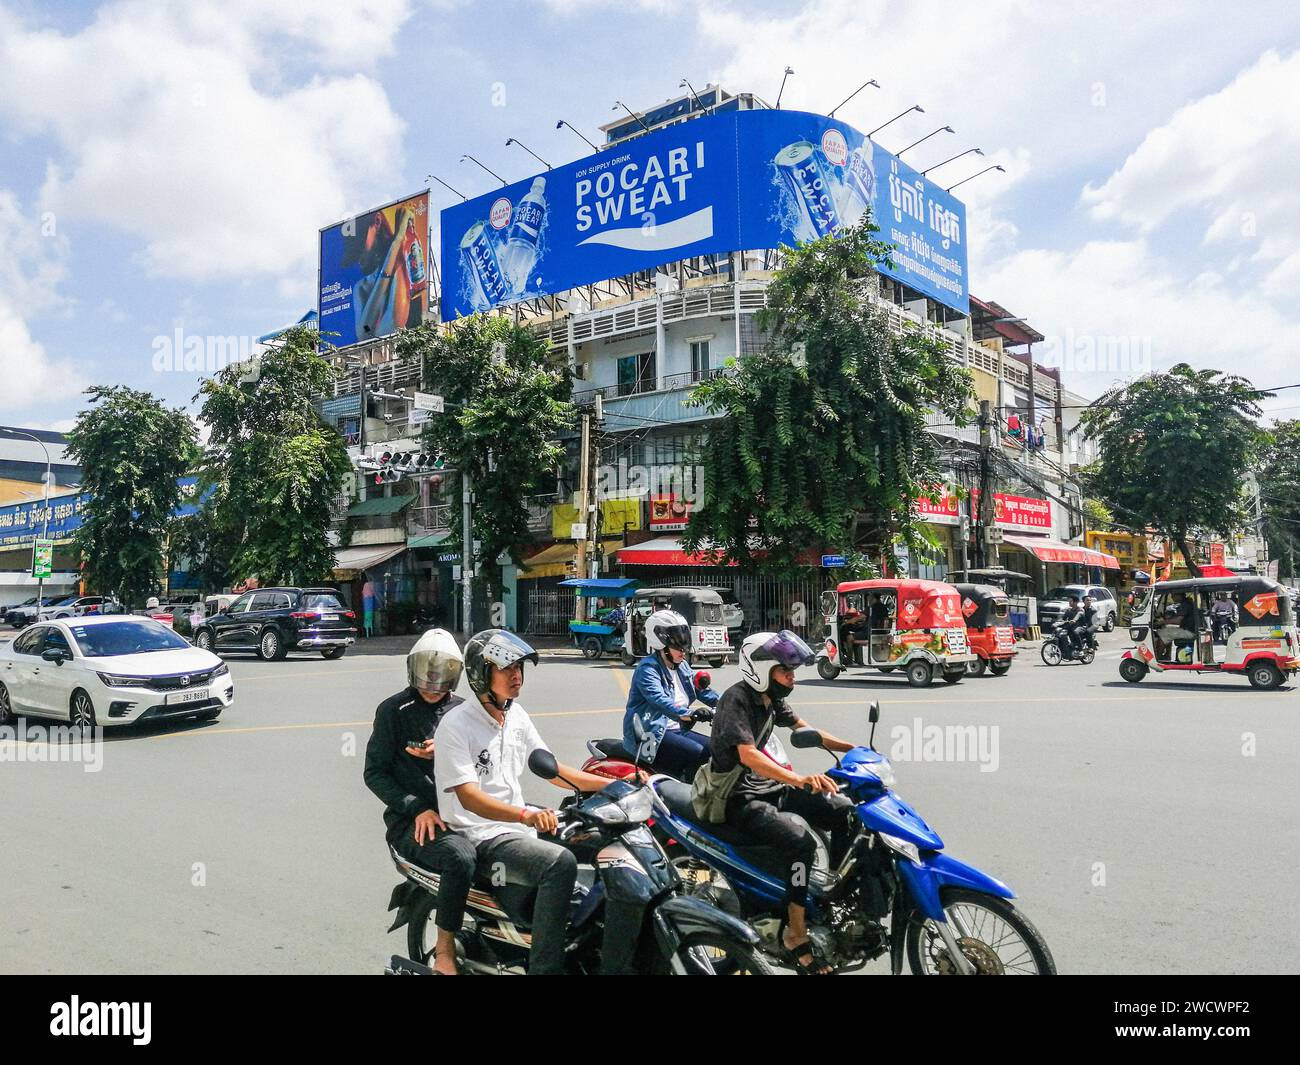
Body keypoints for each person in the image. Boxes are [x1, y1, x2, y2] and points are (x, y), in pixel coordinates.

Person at [433, 629, 614, 975]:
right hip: (482, 836)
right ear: (480, 673)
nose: (517, 676)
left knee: (608, 844)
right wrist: (526, 815)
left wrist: (616, 785)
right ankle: (545, 968)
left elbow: (553, 770)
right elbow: (470, 799)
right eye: (506, 669)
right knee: (558, 863)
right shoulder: (456, 725)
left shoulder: (516, 716)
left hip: (518, 826)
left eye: (519, 668)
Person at [706, 630, 858, 974]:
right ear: (762, 669)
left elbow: (809, 732)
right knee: (800, 844)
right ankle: (796, 932)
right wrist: (798, 779)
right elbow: (748, 756)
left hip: (767, 786)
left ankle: (831, 891)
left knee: (843, 811)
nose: (791, 679)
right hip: (737, 796)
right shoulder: (737, 699)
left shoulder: (770, 698)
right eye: (785, 672)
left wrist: (856, 750)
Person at [364, 628, 476, 975]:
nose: (432, 681)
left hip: (464, 813)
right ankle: (444, 954)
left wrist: (446, 754)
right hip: (411, 821)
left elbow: (485, 765)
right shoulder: (393, 711)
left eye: (440, 674)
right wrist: (415, 808)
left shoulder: (463, 712)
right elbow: (375, 773)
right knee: (459, 858)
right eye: (426, 673)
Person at [622, 610, 720, 779]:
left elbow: (702, 691)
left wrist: (733, 702)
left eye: (684, 646)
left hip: (676, 730)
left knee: (716, 749)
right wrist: (689, 713)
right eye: (677, 647)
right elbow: (659, 699)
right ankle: (687, 799)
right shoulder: (648, 669)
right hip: (651, 734)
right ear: (661, 644)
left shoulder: (682, 667)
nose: (683, 651)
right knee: (697, 753)